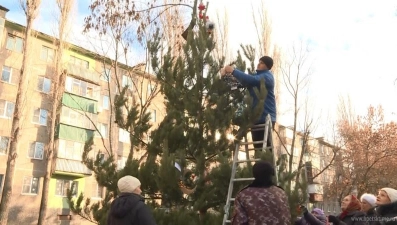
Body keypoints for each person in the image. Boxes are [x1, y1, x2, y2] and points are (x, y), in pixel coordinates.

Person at [221, 56, 276, 150]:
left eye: (262, 63)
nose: (258, 64)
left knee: (265, 149)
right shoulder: (256, 77)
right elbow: (237, 85)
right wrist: (224, 76)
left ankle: (267, 164)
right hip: (256, 117)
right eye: (259, 61)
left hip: (266, 117)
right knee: (258, 149)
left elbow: (251, 80)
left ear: (267, 66)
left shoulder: (267, 77)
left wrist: (233, 71)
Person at [231, 161, 290, 225]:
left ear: (254, 174)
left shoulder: (244, 195)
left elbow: (239, 222)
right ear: (271, 173)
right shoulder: (281, 193)